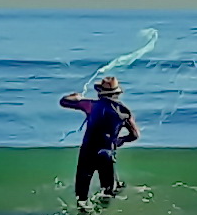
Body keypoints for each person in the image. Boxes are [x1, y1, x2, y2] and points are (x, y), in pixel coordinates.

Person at [59, 75, 140, 207]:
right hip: (106, 153)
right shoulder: (125, 112)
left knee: (82, 191)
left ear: (99, 92)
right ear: (116, 94)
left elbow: (64, 102)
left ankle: (83, 213)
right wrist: (120, 140)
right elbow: (135, 135)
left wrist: (75, 96)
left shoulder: (90, 105)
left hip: (88, 152)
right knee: (108, 190)